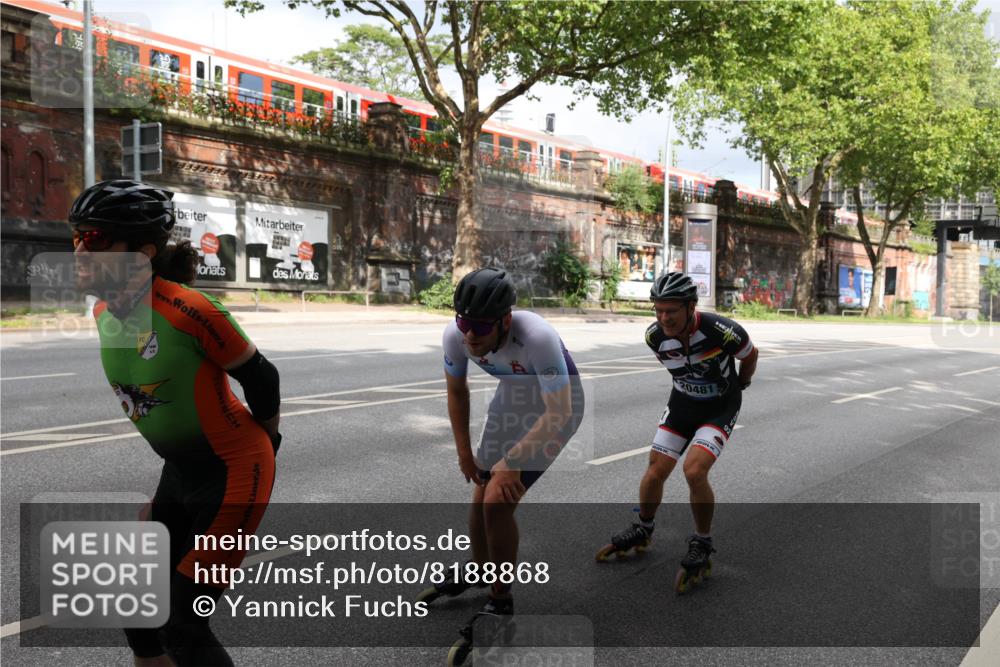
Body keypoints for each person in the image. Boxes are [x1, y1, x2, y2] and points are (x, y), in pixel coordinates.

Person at [70, 180, 281, 666]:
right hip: (183, 471)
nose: (80, 250)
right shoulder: (105, 311)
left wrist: (268, 445)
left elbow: (262, 376)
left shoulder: (190, 310)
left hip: (233, 472)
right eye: (78, 236)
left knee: (184, 624)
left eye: (97, 239)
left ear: (142, 252)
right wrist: (173, 491)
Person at [427, 268, 584, 636]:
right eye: (464, 321)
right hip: (513, 398)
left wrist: (513, 462)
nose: (469, 334)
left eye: (481, 327)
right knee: (481, 483)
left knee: (498, 498)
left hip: (560, 406)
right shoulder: (455, 335)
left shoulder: (537, 337)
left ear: (505, 321)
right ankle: (481, 566)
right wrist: (465, 453)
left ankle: (500, 601)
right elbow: (457, 392)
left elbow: (558, 412)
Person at [597, 272, 757, 588]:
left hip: (720, 406)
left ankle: (702, 540)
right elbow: (675, 370)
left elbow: (750, 356)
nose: (663, 318)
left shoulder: (721, 331)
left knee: (694, 471)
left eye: (671, 310)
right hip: (683, 403)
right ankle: (643, 526)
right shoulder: (654, 336)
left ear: (690, 307)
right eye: (658, 310)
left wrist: (742, 383)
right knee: (656, 468)